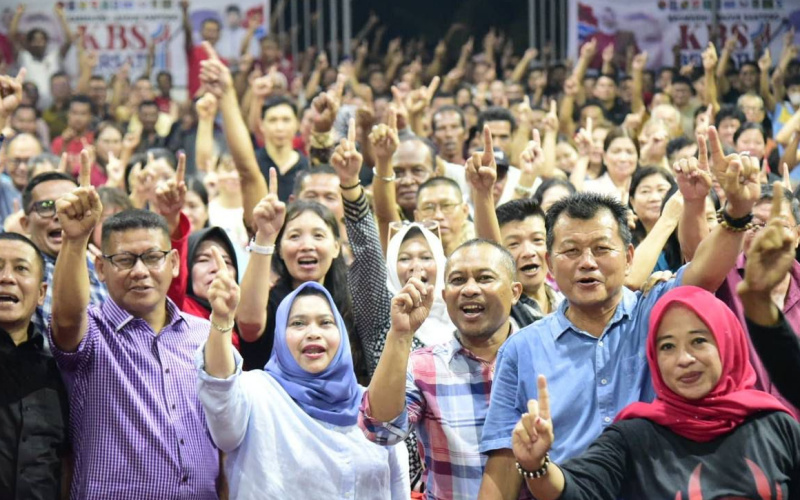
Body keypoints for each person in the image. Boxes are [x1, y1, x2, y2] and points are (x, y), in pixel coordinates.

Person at [478, 126, 765, 499]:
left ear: (629, 257)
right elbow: (503, 462)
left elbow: (705, 273)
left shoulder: (659, 312)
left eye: (601, 249)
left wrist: (738, 211)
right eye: (571, 252)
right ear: (550, 263)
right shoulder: (521, 350)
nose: (587, 264)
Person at [510, 285, 799, 499]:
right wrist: (537, 465)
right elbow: (577, 490)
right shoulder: (635, 437)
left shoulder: (775, 425)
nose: (684, 358)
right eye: (667, 346)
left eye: (699, 341)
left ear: (729, 344)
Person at [48, 158, 220, 498]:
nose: (140, 271)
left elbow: (226, 430)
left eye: (153, 258)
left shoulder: (203, 334)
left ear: (172, 263)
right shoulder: (92, 333)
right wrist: (74, 239)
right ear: (100, 268)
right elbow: (66, 318)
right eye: (125, 260)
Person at [198, 270, 409, 498]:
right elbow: (222, 409)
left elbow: (398, 484)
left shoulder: (372, 404)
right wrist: (221, 319)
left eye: (326, 322)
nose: (313, 333)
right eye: (298, 323)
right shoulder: (257, 392)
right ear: (279, 335)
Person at [360, 238, 523, 500]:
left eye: (484, 278)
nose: (469, 289)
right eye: (457, 280)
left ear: (515, 292)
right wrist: (401, 334)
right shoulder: (423, 366)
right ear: (445, 296)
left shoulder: (541, 356)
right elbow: (380, 430)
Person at [715, 183, 800, 417]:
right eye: (755, 225)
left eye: (778, 225)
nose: (765, 235)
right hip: (741, 433)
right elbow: (693, 248)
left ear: (797, 235)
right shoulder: (721, 276)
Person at [0, 232, 69, 499]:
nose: (6, 278)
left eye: (20, 268)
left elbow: (64, 462)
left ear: (42, 294)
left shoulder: (60, 369)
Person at [21, 169, 108, 335]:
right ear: (25, 223)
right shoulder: (16, 275)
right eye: (46, 206)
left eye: (71, 205)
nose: (60, 215)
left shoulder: (103, 266)